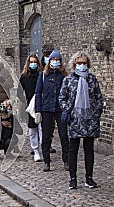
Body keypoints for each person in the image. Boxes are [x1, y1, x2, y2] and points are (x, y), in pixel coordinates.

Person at [59, 51, 103, 190]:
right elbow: (62, 98)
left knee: (89, 149)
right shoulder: (69, 80)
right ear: (74, 64)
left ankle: (89, 178)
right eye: (79, 63)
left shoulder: (92, 79)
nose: (82, 65)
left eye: (84, 63)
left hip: (90, 120)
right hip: (75, 119)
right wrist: (69, 110)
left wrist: (96, 113)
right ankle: (73, 178)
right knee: (73, 149)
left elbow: (98, 98)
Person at [34, 49, 69, 172]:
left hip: (60, 109)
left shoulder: (64, 76)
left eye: (57, 60)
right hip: (46, 108)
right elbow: (38, 92)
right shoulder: (43, 75)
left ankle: (66, 160)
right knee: (46, 136)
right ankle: (47, 161)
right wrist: (38, 110)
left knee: (64, 135)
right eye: (53, 59)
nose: (55, 62)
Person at [20, 53, 43, 162]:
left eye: (35, 62)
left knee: (42, 128)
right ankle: (35, 150)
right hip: (30, 105)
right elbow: (20, 91)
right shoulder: (24, 76)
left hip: (42, 104)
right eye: (31, 62)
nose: (33, 64)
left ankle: (44, 148)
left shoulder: (42, 75)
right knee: (32, 129)